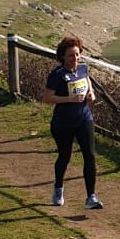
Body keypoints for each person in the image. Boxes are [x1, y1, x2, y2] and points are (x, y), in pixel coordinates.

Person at [42, 35, 103, 210]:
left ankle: (91, 197)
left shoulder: (83, 68)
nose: (75, 59)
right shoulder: (57, 75)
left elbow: (87, 80)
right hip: (63, 123)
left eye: (77, 55)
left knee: (90, 156)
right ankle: (58, 187)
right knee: (65, 156)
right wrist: (70, 98)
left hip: (84, 119)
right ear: (62, 56)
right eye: (71, 55)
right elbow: (47, 98)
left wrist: (91, 93)